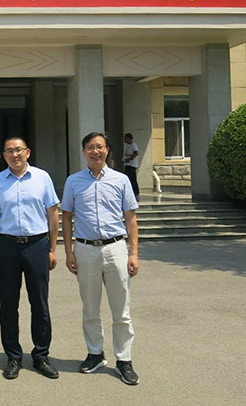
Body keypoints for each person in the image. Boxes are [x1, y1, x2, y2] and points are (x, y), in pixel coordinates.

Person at [61, 132, 140, 386]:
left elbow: (130, 218)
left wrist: (134, 253)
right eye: (90, 147)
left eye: (100, 147)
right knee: (90, 307)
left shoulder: (121, 180)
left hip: (116, 248)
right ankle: (95, 353)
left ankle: (124, 359)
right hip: (85, 249)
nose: (95, 151)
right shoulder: (73, 181)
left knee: (121, 309)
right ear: (83, 151)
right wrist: (68, 252)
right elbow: (66, 217)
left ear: (107, 150)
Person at [0, 137, 60, 381]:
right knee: (9, 305)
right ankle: (13, 357)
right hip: (7, 246)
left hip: (37, 245)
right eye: (9, 151)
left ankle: (41, 356)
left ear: (27, 152)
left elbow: (53, 214)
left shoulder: (42, 177)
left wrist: (52, 248)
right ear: (4, 156)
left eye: (18, 150)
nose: (14, 154)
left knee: (39, 303)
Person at [123, 133, 140, 198]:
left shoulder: (133, 145)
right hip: (127, 164)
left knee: (126, 177)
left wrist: (130, 159)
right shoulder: (127, 145)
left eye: (126, 138)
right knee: (133, 179)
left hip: (132, 164)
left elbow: (136, 153)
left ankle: (130, 191)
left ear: (129, 138)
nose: (125, 139)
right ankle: (135, 191)